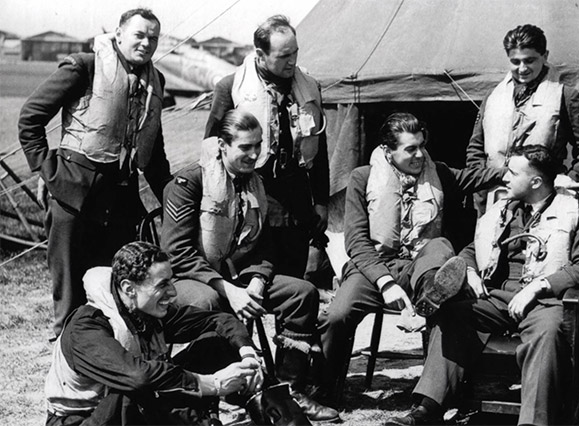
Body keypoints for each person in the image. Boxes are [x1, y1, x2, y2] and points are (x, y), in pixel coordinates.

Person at [388, 145, 579, 426]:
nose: (505, 178)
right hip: (496, 298)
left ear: (536, 182)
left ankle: (534, 421)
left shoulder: (573, 213)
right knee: (451, 314)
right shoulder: (505, 211)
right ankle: (429, 408)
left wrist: (540, 286)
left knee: (547, 332)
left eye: (513, 173)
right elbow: (471, 249)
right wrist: (469, 269)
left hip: (543, 303)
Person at [160, 109, 338, 422]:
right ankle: (209, 400)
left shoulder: (255, 184)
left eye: (257, 145)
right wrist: (227, 289)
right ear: (222, 146)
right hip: (192, 279)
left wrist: (256, 279)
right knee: (210, 302)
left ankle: (289, 390)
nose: (254, 154)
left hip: (241, 279)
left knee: (302, 292)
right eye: (245, 147)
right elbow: (177, 252)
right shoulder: (188, 184)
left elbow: (264, 244)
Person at [317, 112, 505, 403]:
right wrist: (385, 283)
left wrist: (522, 170)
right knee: (337, 315)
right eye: (410, 149)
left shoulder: (438, 172)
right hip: (374, 268)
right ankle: (321, 392)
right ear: (388, 151)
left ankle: (433, 293)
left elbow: (478, 176)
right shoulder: (362, 178)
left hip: (422, 267)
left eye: (421, 145)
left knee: (440, 244)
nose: (419, 154)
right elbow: (356, 241)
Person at [18, 8, 172, 338]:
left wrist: (173, 205)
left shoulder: (154, 84)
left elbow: (154, 155)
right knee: (71, 290)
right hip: (74, 193)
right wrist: (49, 172)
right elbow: (30, 118)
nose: (146, 43)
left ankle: (112, 363)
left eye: (154, 38)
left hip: (121, 200)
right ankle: (66, 364)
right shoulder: (84, 66)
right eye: (139, 35)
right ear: (119, 35)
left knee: (117, 287)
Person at [44, 241, 267, 425]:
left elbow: (219, 320)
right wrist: (213, 383)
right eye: (162, 285)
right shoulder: (87, 326)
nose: (172, 292)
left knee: (213, 344)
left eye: (171, 281)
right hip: (84, 419)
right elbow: (137, 377)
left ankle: (261, 408)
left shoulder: (145, 309)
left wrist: (247, 354)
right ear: (129, 288)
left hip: (137, 403)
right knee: (132, 391)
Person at [205, 14, 328, 280]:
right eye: (284, 56)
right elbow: (212, 150)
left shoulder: (309, 87)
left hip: (296, 201)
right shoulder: (231, 88)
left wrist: (320, 201)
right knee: (254, 276)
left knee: (295, 280)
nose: (292, 61)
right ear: (260, 54)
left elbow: (321, 147)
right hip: (250, 197)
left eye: (295, 53)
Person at [466, 24, 579, 212]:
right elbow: (476, 147)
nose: (522, 69)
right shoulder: (492, 97)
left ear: (545, 56)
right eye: (515, 61)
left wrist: (572, 181)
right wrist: (480, 179)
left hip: (543, 198)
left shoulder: (565, 96)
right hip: (493, 197)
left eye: (530, 60)